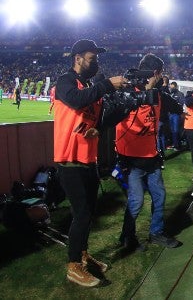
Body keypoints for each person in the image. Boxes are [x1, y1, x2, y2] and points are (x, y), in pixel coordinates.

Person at [53, 39, 129, 287]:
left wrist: (101, 123)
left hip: (88, 160)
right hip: (69, 159)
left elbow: (97, 118)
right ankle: (73, 265)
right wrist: (106, 85)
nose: (95, 61)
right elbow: (76, 100)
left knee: (86, 214)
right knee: (82, 214)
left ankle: (83, 255)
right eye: (91, 57)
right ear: (77, 58)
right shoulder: (65, 81)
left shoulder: (89, 86)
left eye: (96, 57)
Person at [113, 54, 182, 251]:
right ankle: (127, 237)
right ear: (157, 73)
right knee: (136, 201)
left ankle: (156, 233)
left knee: (159, 196)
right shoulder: (126, 92)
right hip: (131, 159)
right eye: (160, 74)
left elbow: (176, 106)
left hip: (151, 157)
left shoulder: (159, 95)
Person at [168, 81, 185, 149]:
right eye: (171, 87)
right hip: (170, 114)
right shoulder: (170, 94)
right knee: (172, 130)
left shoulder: (180, 94)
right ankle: (174, 143)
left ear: (176, 87)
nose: (171, 88)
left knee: (176, 130)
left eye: (173, 87)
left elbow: (181, 103)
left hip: (176, 115)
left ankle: (177, 145)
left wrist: (174, 105)